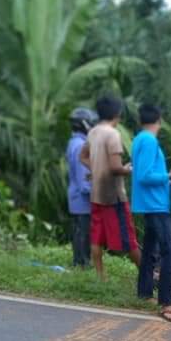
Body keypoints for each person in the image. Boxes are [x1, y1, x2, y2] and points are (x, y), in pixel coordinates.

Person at [79, 95, 140, 279]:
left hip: (97, 193)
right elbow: (115, 167)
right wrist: (128, 170)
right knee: (129, 238)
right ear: (117, 113)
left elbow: (82, 156)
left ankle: (100, 277)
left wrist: (96, 169)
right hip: (113, 196)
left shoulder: (93, 132)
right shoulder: (113, 134)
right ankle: (146, 274)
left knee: (96, 236)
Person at [132, 103, 171, 324]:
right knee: (169, 252)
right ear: (159, 119)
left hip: (153, 202)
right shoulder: (149, 141)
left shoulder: (140, 139)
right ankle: (166, 303)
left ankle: (144, 292)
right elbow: (144, 175)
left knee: (151, 248)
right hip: (155, 204)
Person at [66, 107, 98, 268]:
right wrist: (94, 192)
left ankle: (79, 262)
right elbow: (83, 177)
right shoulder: (80, 145)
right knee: (83, 232)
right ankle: (82, 264)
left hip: (75, 196)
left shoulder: (73, 142)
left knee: (80, 230)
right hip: (82, 198)